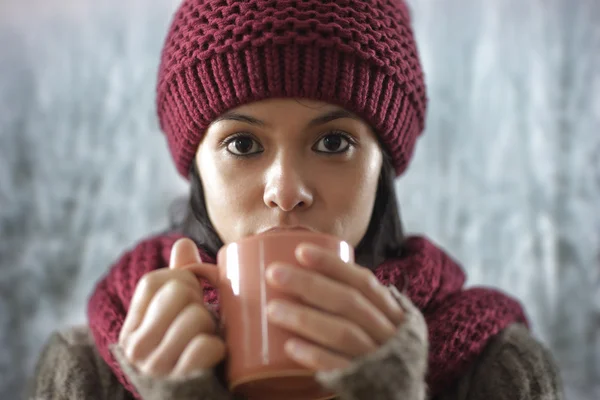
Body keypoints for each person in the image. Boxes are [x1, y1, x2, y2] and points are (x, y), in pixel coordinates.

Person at [27, 0, 565, 399]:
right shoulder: (84, 375)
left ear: (384, 165)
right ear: (196, 166)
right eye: (243, 144)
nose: (286, 191)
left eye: (333, 142)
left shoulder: (497, 370)